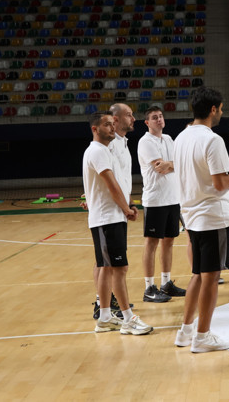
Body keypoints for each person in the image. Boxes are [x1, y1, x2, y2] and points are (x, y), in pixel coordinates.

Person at [172, 87, 229, 353]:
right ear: (214, 109)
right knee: (210, 277)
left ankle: (186, 331)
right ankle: (202, 336)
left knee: (197, 274)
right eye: (221, 107)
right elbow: (219, 183)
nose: (222, 111)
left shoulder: (181, 137)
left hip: (192, 215)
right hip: (212, 216)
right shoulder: (212, 139)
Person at [83, 112, 153, 335]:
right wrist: (126, 208)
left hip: (109, 217)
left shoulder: (102, 151)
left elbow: (115, 185)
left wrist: (127, 205)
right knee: (119, 268)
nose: (112, 128)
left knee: (107, 267)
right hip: (107, 217)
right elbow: (111, 184)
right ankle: (128, 319)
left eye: (113, 124)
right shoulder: (97, 151)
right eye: (107, 125)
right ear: (95, 129)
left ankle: (104, 317)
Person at [137, 105, 186, 303]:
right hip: (156, 200)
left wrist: (174, 164)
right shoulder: (145, 142)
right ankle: (149, 287)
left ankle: (166, 283)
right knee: (151, 242)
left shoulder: (168, 139)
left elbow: (177, 164)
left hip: (173, 198)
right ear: (147, 122)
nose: (159, 119)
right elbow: (160, 168)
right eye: (155, 117)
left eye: (161, 116)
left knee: (169, 241)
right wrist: (175, 164)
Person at [92, 103, 136, 319]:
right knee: (106, 262)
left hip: (119, 209)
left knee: (107, 260)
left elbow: (122, 179)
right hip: (109, 211)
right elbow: (107, 180)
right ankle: (103, 304)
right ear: (116, 120)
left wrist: (129, 203)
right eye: (129, 115)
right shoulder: (107, 146)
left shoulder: (122, 143)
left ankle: (108, 303)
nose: (133, 118)